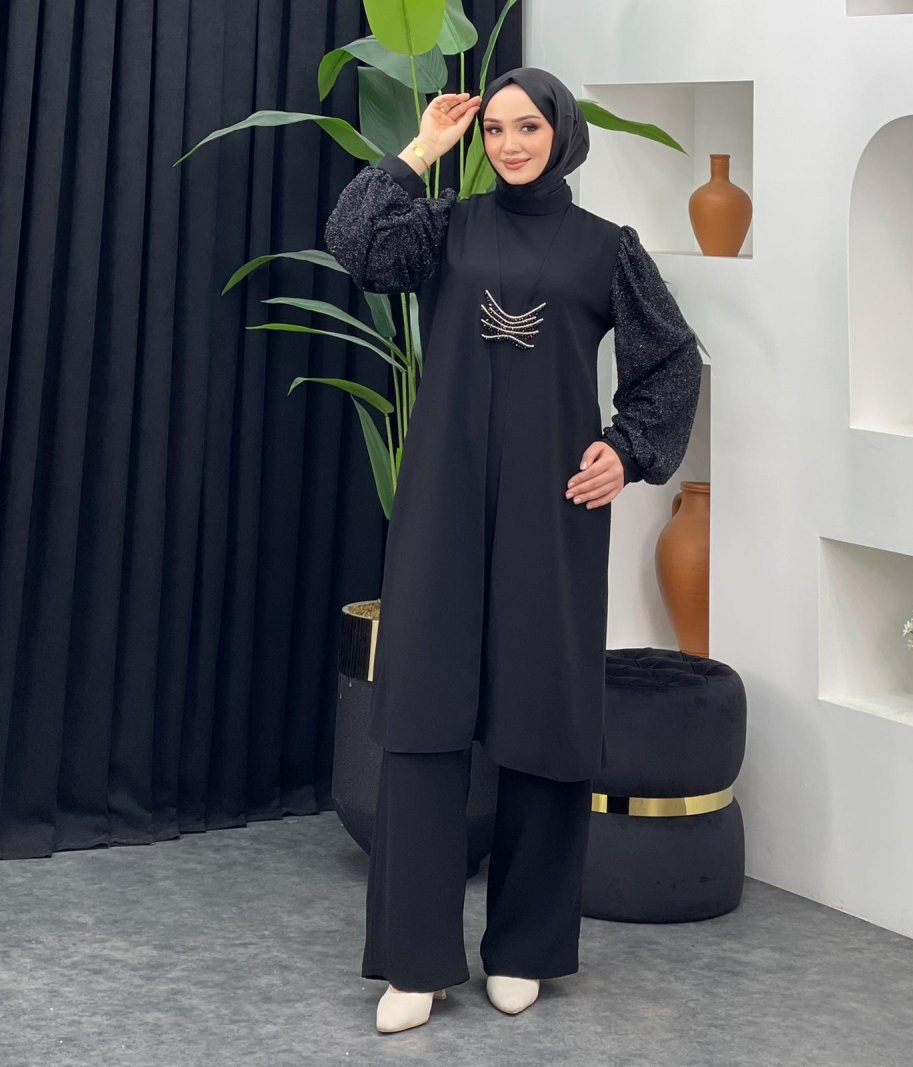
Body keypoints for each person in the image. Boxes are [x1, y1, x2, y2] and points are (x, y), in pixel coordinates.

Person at [324, 66, 702, 1034]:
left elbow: (670, 360)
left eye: (526, 126)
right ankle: (413, 958)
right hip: (442, 502)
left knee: (542, 714)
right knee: (421, 716)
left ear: (560, 132)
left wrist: (626, 450)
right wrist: (421, 150)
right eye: (493, 129)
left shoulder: (606, 249)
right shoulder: (444, 228)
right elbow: (354, 243)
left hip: (554, 507)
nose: (509, 144)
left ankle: (525, 945)